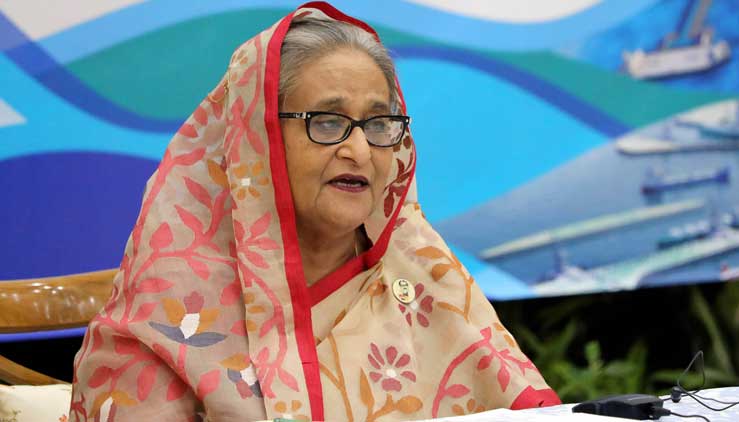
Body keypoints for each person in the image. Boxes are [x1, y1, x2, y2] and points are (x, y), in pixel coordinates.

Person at [70, 3, 560, 421]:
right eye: (327, 122)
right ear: (256, 138)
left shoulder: (421, 276)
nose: (360, 151)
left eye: (378, 123)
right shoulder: (174, 308)